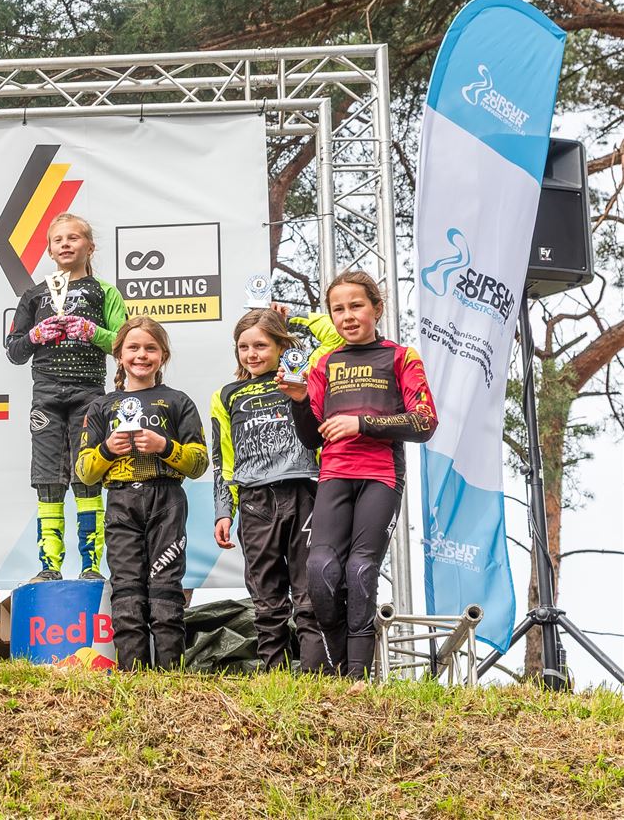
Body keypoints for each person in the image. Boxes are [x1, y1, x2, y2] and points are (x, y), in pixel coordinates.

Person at [279, 270, 438, 677]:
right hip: (334, 474)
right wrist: (300, 401)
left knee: (360, 571)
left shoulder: (401, 357)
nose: (347, 316)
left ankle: (358, 677)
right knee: (321, 571)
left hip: (381, 475)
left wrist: (361, 423)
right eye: (338, 309)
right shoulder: (324, 364)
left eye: (356, 306)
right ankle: (340, 669)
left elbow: (424, 422)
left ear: (376, 308)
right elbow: (310, 437)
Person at [209, 306, 338, 669]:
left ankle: (315, 675)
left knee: (310, 594)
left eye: (261, 345)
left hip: (303, 492)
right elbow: (223, 459)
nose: (252, 354)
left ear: (282, 346)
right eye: (244, 347)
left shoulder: (302, 375)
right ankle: (274, 676)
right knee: (266, 598)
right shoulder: (226, 395)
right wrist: (224, 510)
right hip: (255, 501)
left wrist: (291, 317)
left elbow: (334, 338)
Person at [76, 317, 207, 669]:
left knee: (166, 585)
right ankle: (133, 676)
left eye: (150, 348)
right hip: (121, 502)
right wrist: (108, 450)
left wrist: (165, 447)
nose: (141, 355)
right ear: (119, 355)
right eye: (133, 348)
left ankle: (170, 675)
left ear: (163, 355)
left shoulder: (178, 401)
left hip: (167, 500)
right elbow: (84, 470)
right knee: (127, 587)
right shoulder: (101, 406)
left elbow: (199, 463)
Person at [5, 213, 127, 582]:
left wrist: (92, 331)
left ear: (90, 246)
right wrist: (35, 335)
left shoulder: (104, 292)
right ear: (49, 250)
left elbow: (125, 344)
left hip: (88, 394)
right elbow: (13, 350)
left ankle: (91, 566)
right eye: (58, 240)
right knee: (48, 479)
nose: (66, 244)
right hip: (46, 395)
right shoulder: (34, 294)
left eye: (74, 238)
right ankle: (49, 566)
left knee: (87, 475)